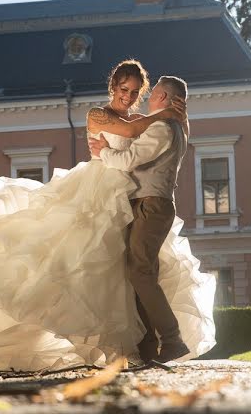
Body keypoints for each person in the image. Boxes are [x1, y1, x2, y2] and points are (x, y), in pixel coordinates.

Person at [0, 60, 215, 371]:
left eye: (133, 92)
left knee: (121, 273)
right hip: (103, 188)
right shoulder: (100, 114)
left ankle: (146, 345)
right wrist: (169, 117)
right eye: (122, 89)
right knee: (79, 259)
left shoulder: (148, 123)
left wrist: (169, 119)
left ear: (144, 95)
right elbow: (130, 136)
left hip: (129, 198)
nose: (127, 96)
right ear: (112, 86)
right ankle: (147, 344)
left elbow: (136, 141)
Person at [88, 75, 192, 363]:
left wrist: (103, 152)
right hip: (146, 205)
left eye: (152, 93)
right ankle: (148, 347)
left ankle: (172, 339)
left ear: (163, 99)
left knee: (140, 273)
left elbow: (127, 160)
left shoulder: (162, 128)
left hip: (151, 205)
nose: (146, 98)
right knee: (140, 275)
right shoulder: (174, 127)